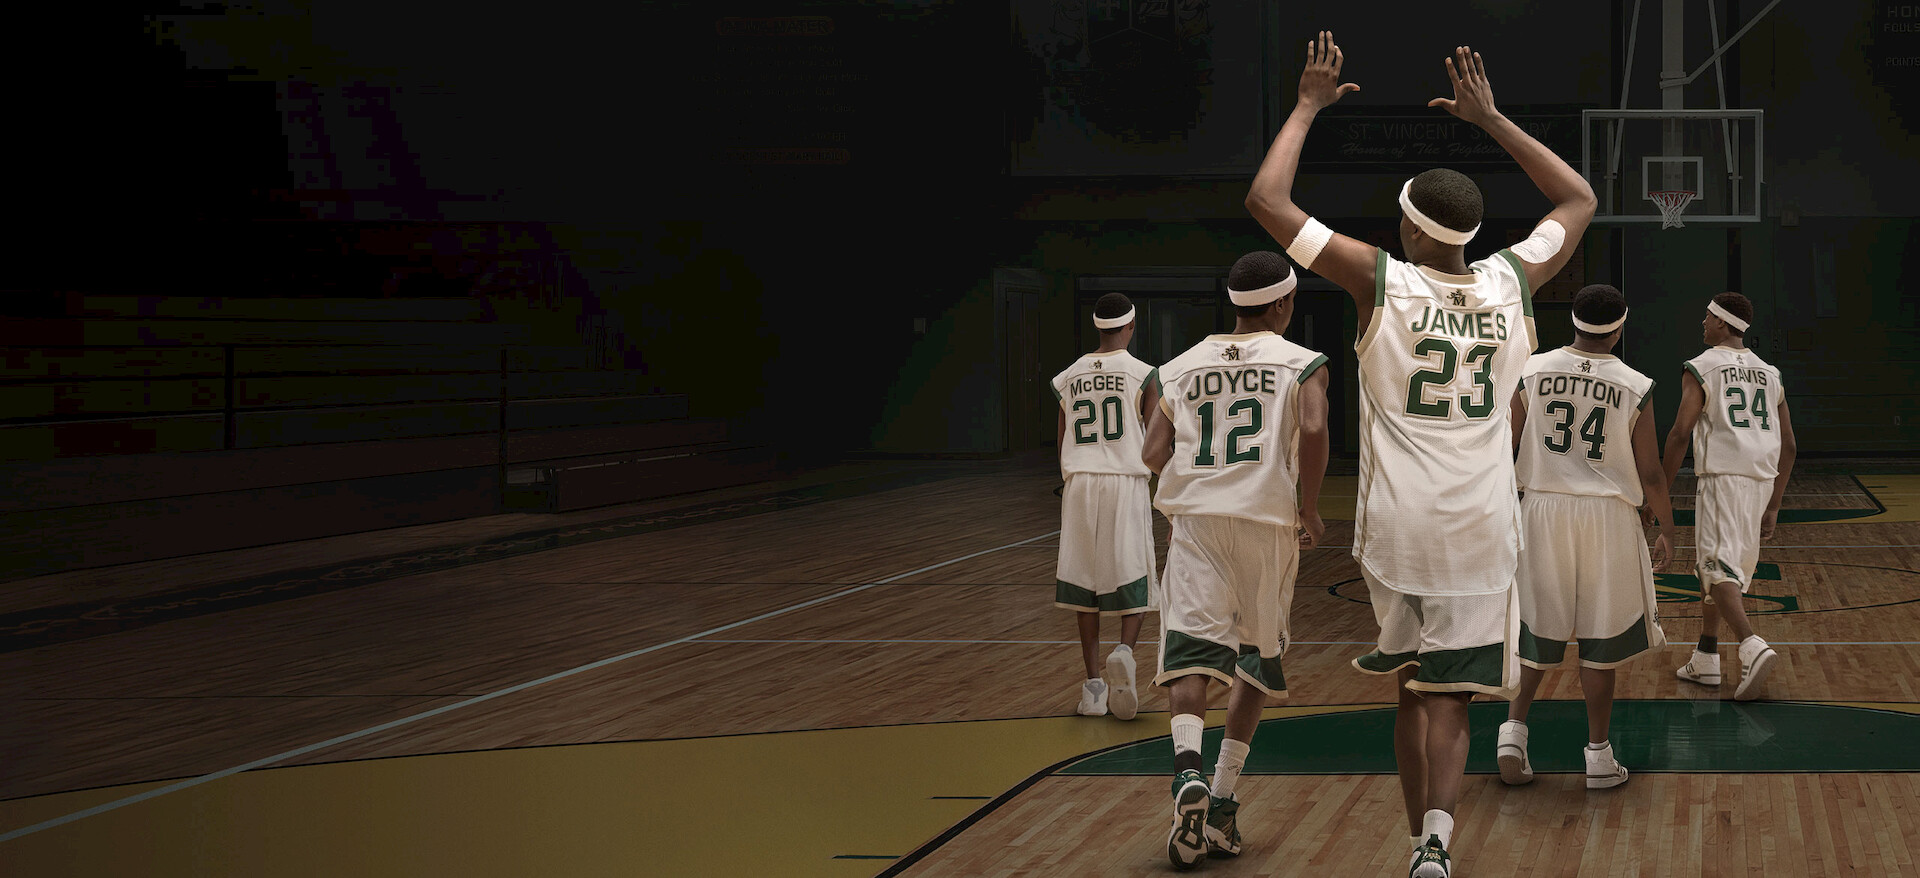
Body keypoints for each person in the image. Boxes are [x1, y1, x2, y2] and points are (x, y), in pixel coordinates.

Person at [1243, 34, 1595, 878]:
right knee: (1451, 698)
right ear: (1470, 231)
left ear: (1408, 226)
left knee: (1408, 685)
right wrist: (1492, 120)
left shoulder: (1381, 279)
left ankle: (1413, 841)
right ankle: (1437, 842)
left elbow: (1266, 199)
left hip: (1400, 528)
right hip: (1481, 525)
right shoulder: (1513, 281)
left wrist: (1307, 105)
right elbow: (1578, 198)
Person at [1140, 251, 1329, 870]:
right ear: (1283, 303)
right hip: (1266, 525)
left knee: (1191, 651)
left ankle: (1187, 771)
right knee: (1256, 658)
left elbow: (1151, 453)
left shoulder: (1180, 366)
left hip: (1197, 521)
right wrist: (1309, 508)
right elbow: (1314, 427)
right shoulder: (1303, 362)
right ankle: (1221, 799)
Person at [1495, 283, 1678, 792]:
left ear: (1572, 320)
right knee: (1600, 646)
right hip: (1607, 518)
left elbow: (1505, 447)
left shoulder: (1532, 371)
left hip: (1541, 510)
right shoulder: (1635, 384)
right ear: (1619, 329)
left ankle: (1512, 734)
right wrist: (1667, 527)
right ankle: (1598, 757)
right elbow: (1651, 472)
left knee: (1535, 633)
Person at [1664, 292, 1797, 700]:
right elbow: (1790, 446)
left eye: (1707, 317)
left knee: (1716, 569)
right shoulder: (1771, 373)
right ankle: (1706, 655)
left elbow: (1680, 433)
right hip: (1762, 480)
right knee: (1721, 568)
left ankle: (1751, 645)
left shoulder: (1702, 367)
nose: (1703, 323)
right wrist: (1774, 503)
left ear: (1722, 322)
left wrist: (1659, 492)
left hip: (1723, 478)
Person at [1051, 292, 1157, 720]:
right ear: (1131, 326)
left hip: (1080, 483)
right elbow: (1155, 442)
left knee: (1085, 584)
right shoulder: (1143, 374)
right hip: (1125, 481)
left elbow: (1062, 437)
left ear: (1097, 327)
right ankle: (1125, 652)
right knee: (1135, 575)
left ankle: (1093, 687)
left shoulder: (1069, 376)